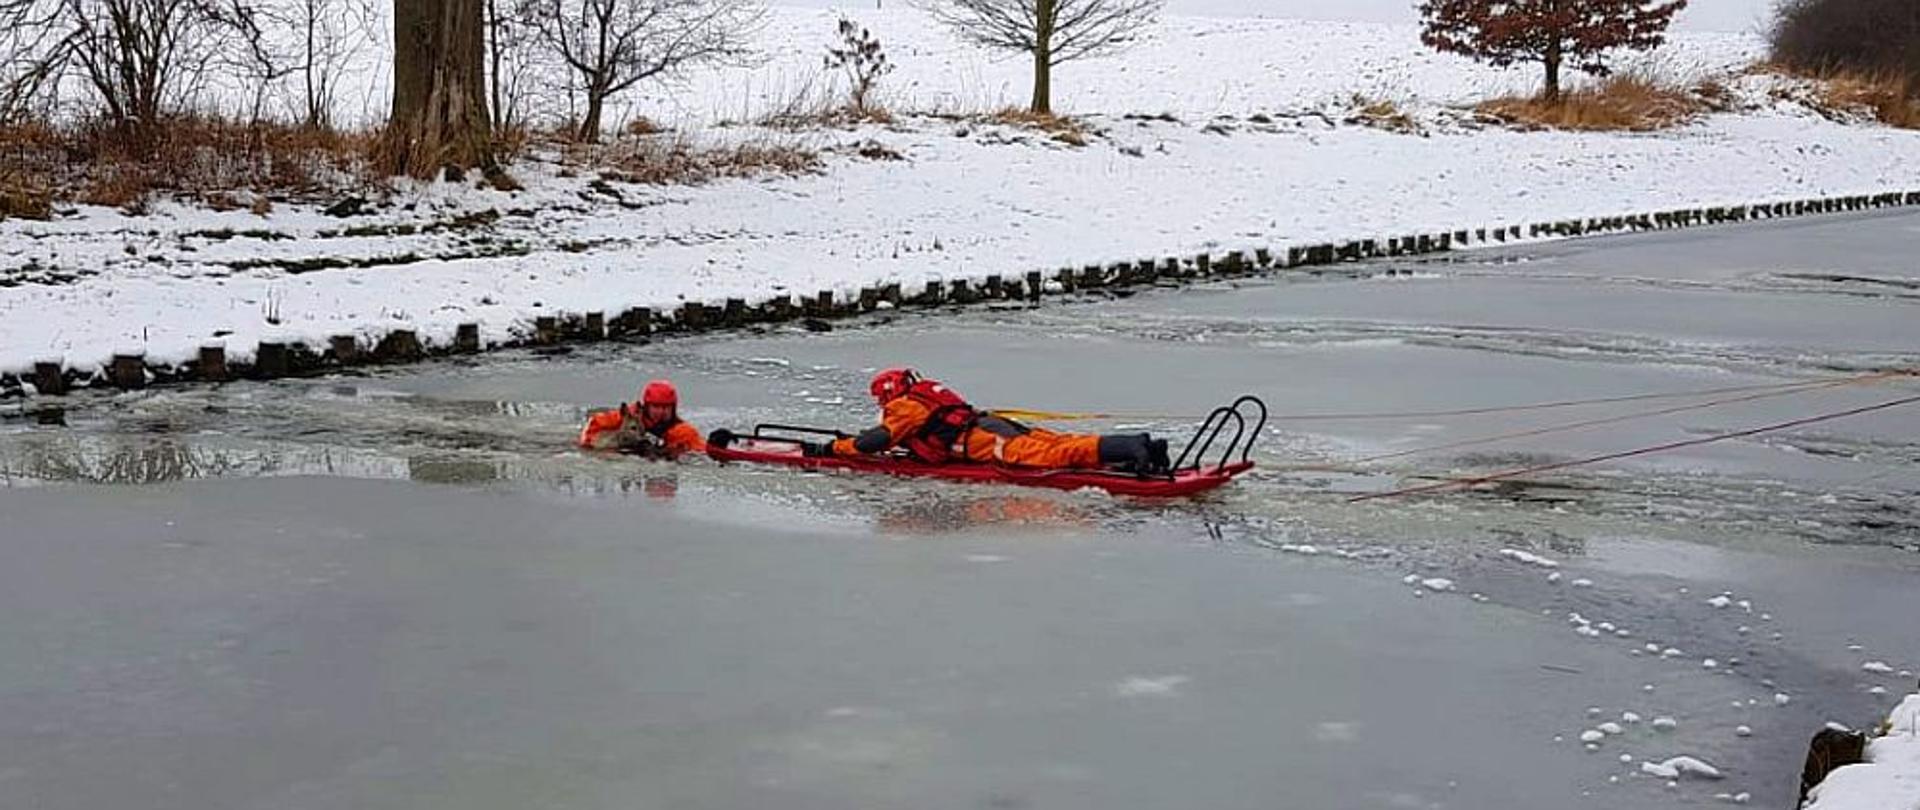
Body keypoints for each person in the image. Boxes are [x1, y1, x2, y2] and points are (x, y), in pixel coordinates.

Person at [792, 368, 1170, 473]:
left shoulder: (905, 407)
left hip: (988, 443)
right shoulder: (925, 393)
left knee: (1055, 456)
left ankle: (1133, 448)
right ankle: (1142, 446)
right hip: (992, 427)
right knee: (1057, 442)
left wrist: (833, 448)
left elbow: (873, 443)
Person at [578, 379, 706, 458]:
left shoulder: (682, 431)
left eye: (666, 407)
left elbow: (702, 451)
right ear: (647, 406)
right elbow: (593, 424)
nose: (661, 412)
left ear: (673, 408)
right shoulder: (627, 417)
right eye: (656, 406)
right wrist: (591, 446)